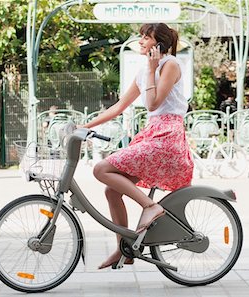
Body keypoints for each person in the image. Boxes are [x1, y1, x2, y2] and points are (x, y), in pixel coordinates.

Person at [82, 23, 194, 269]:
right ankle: (125, 249)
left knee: (101, 169)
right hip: (152, 133)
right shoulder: (144, 72)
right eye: (141, 36)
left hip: (167, 137)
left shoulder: (170, 65)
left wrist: (153, 68)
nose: (141, 41)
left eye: (147, 37)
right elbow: (119, 107)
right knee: (111, 190)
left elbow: (153, 104)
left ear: (159, 43)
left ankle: (150, 206)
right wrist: (86, 125)